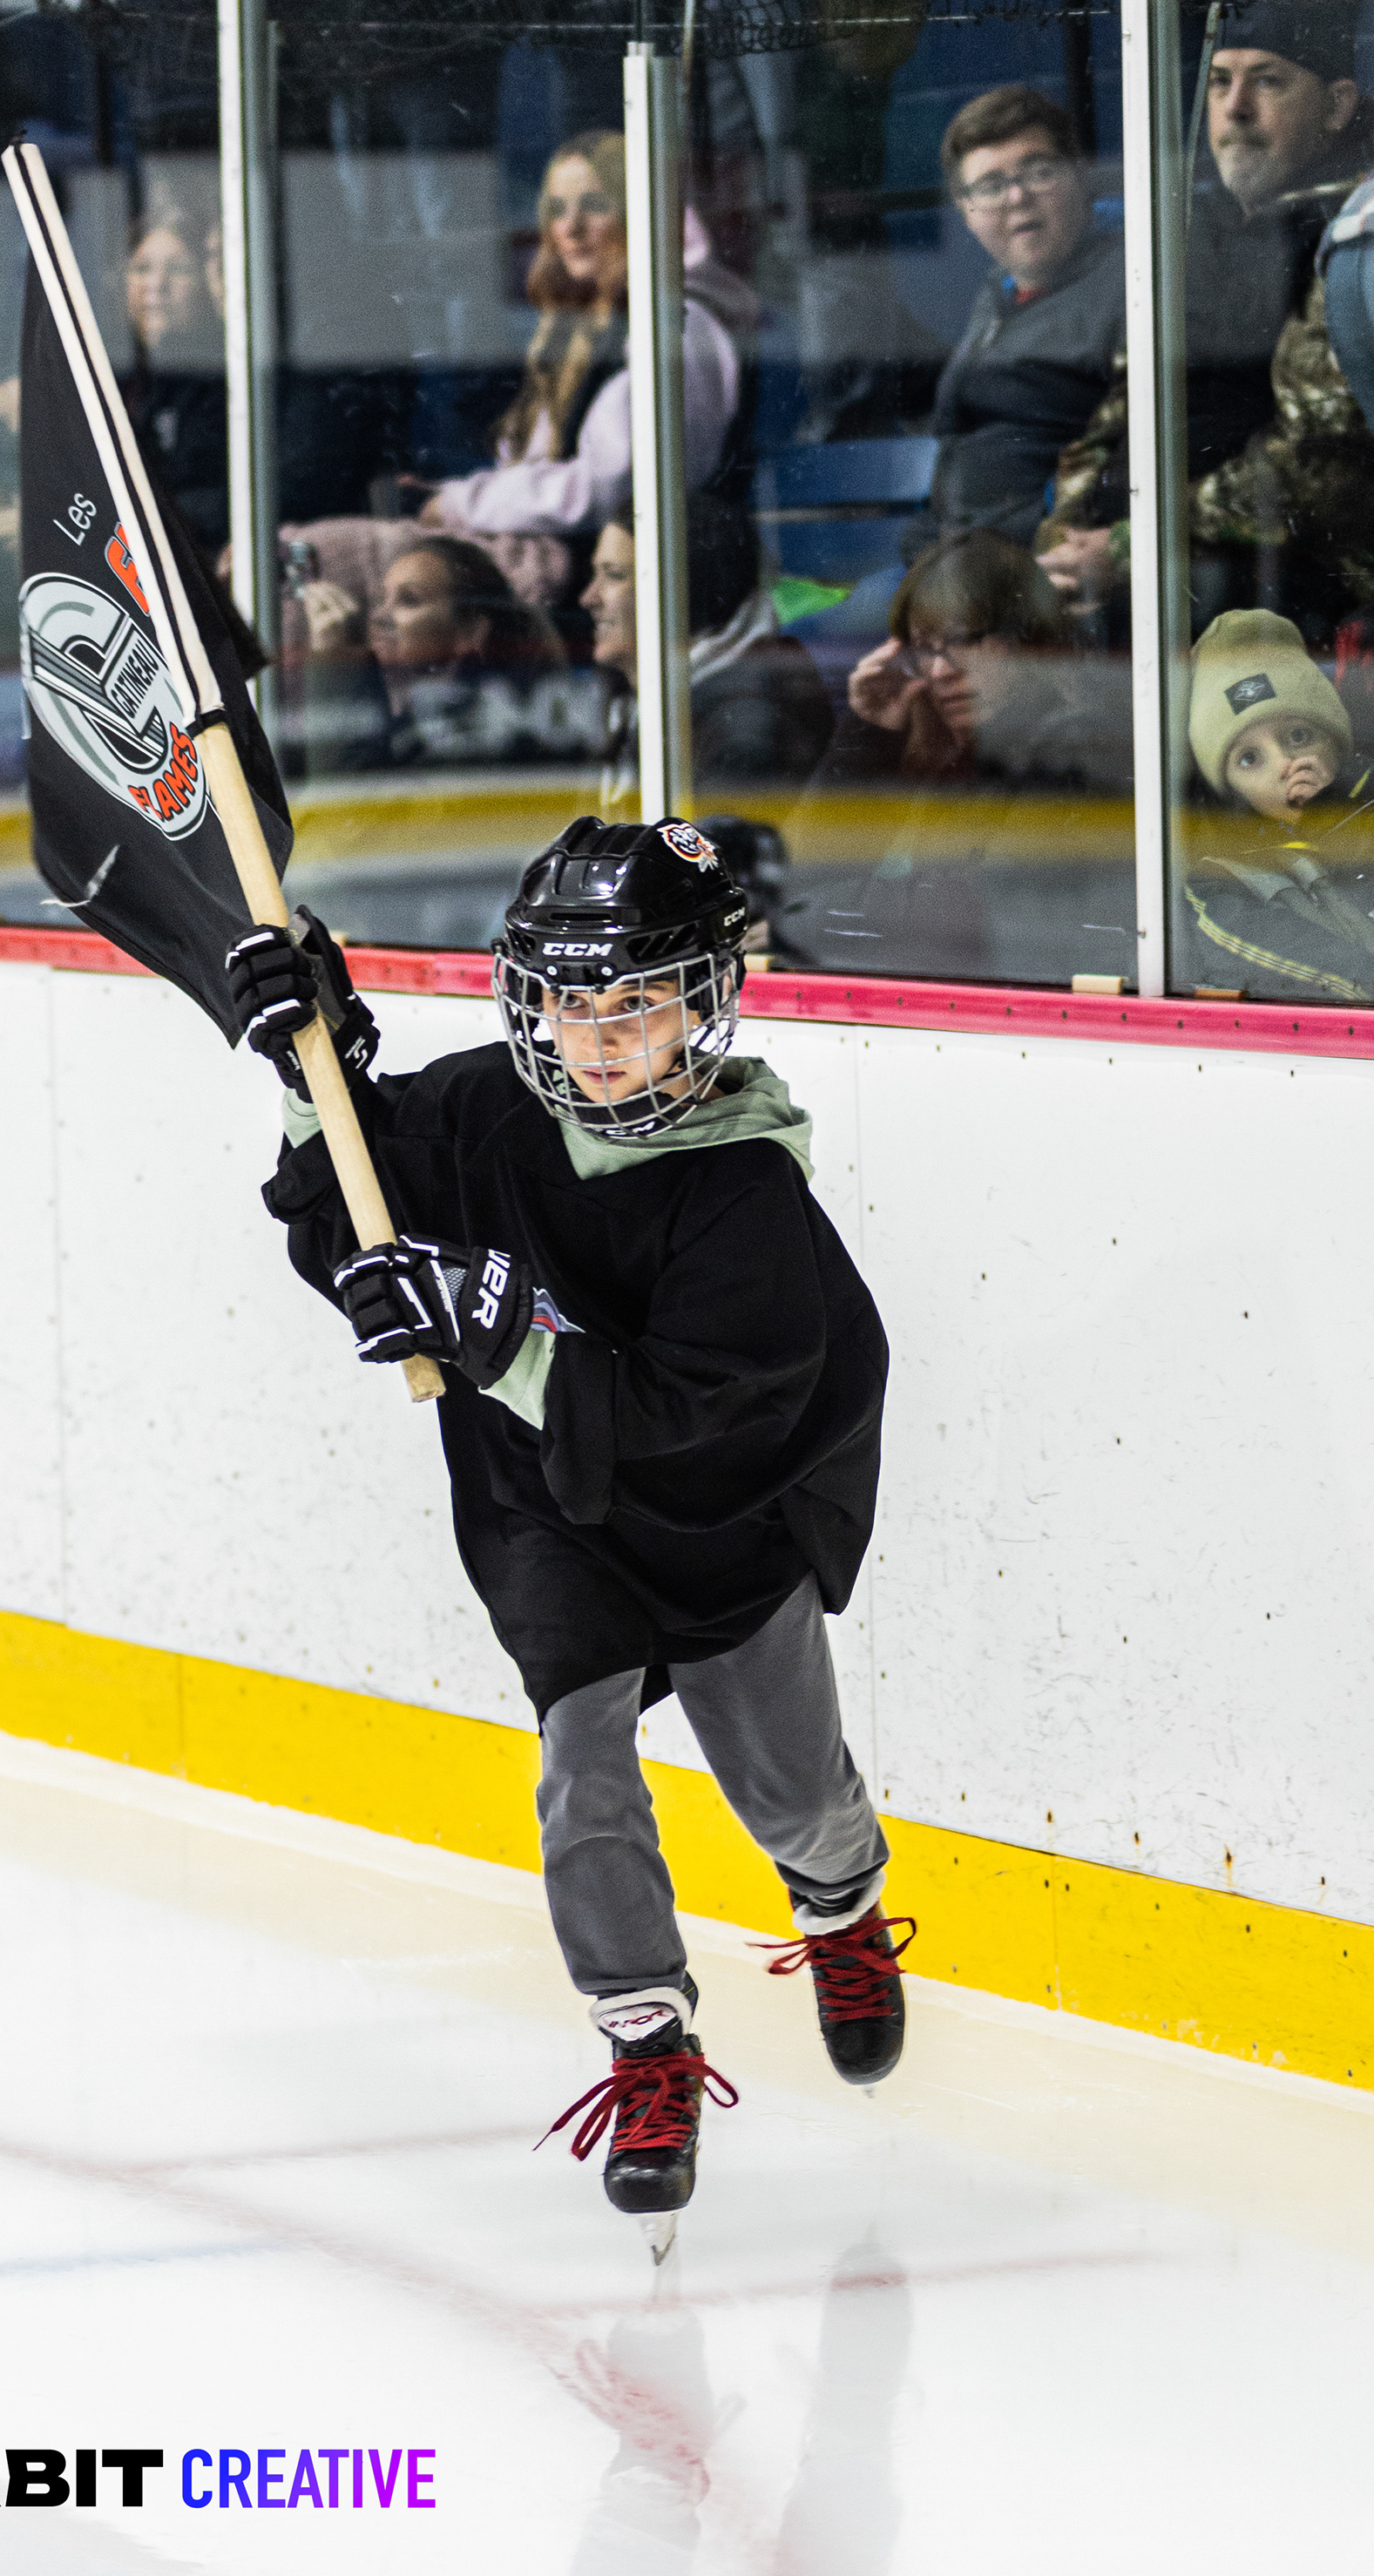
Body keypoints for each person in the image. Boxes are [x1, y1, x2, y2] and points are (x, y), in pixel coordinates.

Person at [226, 822, 910, 2240]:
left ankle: (840, 1907)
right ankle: (646, 2036)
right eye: (571, 1003)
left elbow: (689, 1410)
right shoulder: (487, 1109)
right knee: (580, 1764)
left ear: (705, 1000)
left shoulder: (744, 1192)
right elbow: (349, 1206)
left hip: (722, 1513)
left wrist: (503, 1342)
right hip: (551, 1510)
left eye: (637, 1003)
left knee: (792, 1792)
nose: (599, 1038)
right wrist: (311, 1068)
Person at [1046, 2, 1374, 644]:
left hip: (1289, 594)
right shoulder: (1188, 236)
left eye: (1268, 81)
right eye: (1220, 82)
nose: (1235, 108)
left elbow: (1317, 467)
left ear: (1337, 107)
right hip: (1139, 574)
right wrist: (1066, 537)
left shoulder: (1353, 233)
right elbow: (1119, 406)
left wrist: (1127, 547)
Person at [817, 531, 1131, 978]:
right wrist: (867, 734)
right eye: (924, 649)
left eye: (961, 640)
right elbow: (806, 875)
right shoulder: (948, 754)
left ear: (1026, 638)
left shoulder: (1077, 749)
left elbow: (970, 916)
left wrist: (806, 921)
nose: (940, 670)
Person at [423, 132, 755, 542]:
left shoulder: (676, 322)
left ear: (641, 211)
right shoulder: (585, 325)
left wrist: (462, 504)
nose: (571, 227)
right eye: (557, 209)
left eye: (595, 205)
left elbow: (612, 485)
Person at [909, 87, 1125, 563]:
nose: (1017, 197)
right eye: (990, 186)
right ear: (966, 211)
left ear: (1080, 176)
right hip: (957, 555)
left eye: (1039, 172)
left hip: (1035, 560)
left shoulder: (1130, 283)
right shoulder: (996, 295)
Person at [585, 494, 835, 811]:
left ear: (681, 587)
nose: (589, 598)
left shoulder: (745, 721)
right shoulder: (637, 702)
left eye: (614, 575)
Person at [1181, 607, 1374, 999]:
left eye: (1299, 736)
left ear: (1337, 742)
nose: (1286, 764)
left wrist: (1332, 814)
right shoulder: (1224, 886)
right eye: (1249, 759)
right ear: (1229, 791)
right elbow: (1349, 976)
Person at [292, 533, 566, 774]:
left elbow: (350, 807)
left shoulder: (476, 739)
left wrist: (336, 659)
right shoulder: (424, 720)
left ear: (470, 633)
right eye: (382, 600)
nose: (379, 616)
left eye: (409, 599)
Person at [118, 201, 230, 566]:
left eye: (178, 269)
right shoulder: (119, 376)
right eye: (142, 269)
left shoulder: (227, 380)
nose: (156, 285)